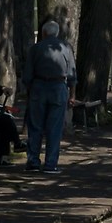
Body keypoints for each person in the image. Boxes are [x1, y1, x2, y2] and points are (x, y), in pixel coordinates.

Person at [27, 18, 74, 174]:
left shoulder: (35, 49)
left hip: (38, 87)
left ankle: (33, 162)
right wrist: (72, 95)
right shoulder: (66, 48)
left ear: (44, 33)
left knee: (35, 127)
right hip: (59, 87)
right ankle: (51, 164)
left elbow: (27, 74)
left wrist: (29, 89)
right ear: (57, 33)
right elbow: (72, 74)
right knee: (54, 128)